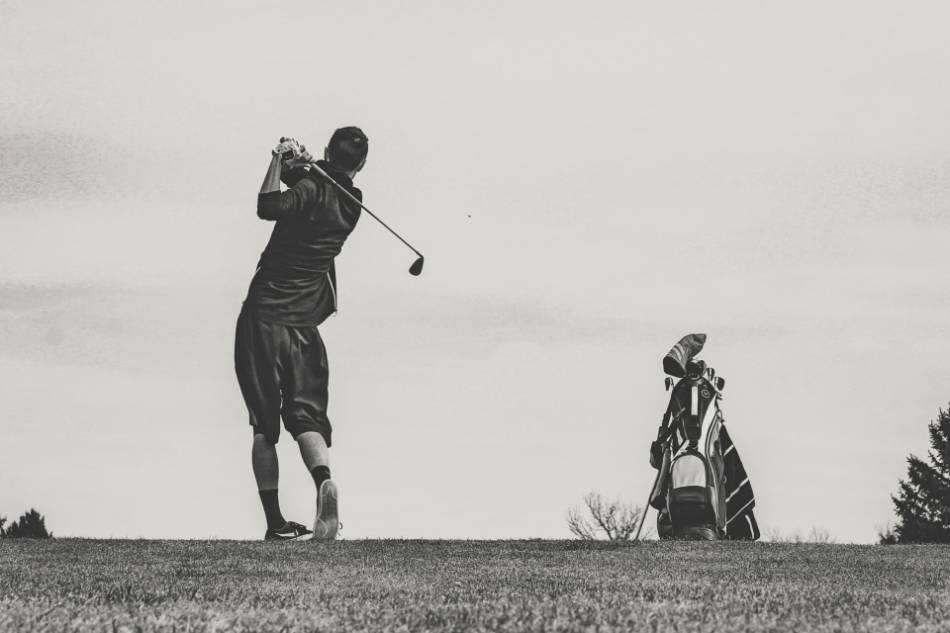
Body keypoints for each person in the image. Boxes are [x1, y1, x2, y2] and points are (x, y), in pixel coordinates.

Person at [235, 127, 368, 540]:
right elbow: (315, 188)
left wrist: (278, 158)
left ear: (330, 151)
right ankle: (323, 480)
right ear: (360, 165)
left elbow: (269, 205)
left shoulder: (314, 188)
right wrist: (304, 164)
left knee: (264, 427)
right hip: (305, 329)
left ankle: (275, 523)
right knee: (307, 418)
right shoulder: (352, 204)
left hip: (264, 318)